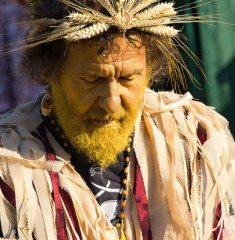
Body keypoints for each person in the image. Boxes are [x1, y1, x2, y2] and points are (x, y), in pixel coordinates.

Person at [0, 0, 235, 239]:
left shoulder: (195, 141)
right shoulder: (8, 166)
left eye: (128, 79)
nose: (112, 103)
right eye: (91, 80)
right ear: (50, 72)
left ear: (149, 71)